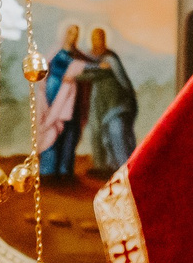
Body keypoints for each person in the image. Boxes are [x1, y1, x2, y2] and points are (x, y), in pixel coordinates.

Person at [79, 26, 139, 177]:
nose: (96, 41)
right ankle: (105, 167)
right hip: (98, 103)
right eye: (94, 38)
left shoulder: (110, 58)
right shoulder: (89, 58)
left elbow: (101, 74)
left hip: (116, 103)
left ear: (104, 39)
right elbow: (86, 72)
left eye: (99, 38)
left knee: (117, 133)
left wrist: (74, 75)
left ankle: (126, 170)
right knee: (100, 135)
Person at [36, 22, 86, 180]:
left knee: (67, 130)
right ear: (65, 33)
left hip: (68, 97)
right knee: (51, 127)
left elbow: (88, 68)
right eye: (71, 32)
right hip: (52, 92)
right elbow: (44, 70)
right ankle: (48, 169)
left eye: (76, 34)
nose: (73, 36)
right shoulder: (54, 51)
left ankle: (64, 170)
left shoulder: (78, 55)